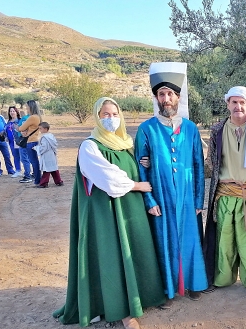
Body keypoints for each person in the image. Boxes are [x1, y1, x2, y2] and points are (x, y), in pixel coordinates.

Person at [53, 97, 165, 329]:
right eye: (105, 114)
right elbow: (108, 178)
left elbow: (134, 166)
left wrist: (143, 162)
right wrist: (138, 186)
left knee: (134, 251)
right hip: (105, 213)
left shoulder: (126, 143)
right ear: (97, 116)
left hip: (130, 210)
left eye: (114, 114)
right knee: (111, 256)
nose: (111, 118)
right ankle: (120, 310)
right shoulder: (90, 146)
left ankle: (138, 300)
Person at [135, 62, 207, 307]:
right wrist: (149, 200)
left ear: (178, 97)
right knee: (163, 239)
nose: (166, 99)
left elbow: (198, 164)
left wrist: (199, 199)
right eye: (161, 94)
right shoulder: (146, 129)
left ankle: (193, 283)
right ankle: (166, 288)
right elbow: (140, 166)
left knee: (190, 238)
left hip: (187, 195)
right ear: (156, 98)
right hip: (161, 193)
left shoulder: (190, 128)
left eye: (170, 94)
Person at [203, 86, 246, 298]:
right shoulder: (217, 130)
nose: (238, 106)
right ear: (228, 104)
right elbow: (211, 162)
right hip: (224, 195)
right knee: (224, 241)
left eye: (242, 103)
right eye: (234, 102)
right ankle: (222, 279)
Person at [14, 100, 41, 185]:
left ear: (30, 107)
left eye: (27, 106)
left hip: (30, 141)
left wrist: (16, 126)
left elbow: (21, 128)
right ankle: (38, 179)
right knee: (35, 161)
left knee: (33, 161)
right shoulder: (38, 117)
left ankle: (37, 180)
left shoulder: (32, 117)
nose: (26, 108)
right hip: (35, 140)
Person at [34, 122, 63, 188]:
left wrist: (37, 148)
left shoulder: (45, 137)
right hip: (51, 154)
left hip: (47, 155)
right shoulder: (51, 136)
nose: (39, 130)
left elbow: (44, 147)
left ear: (45, 129)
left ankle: (44, 183)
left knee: (46, 169)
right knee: (53, 168)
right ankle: (59, 181)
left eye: (40, 128)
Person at [4, 106, 22, 178]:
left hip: (19, 141)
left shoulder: (20, 121)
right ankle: (18, 170)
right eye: (10, 111)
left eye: (13, 111)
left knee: (24, 156)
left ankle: (29, 170)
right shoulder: (8, 122)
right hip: (11, 142)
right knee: (15, 156)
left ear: (16, 112)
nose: (12, 112)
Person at [16, 109, 33, 183]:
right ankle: (35, 173)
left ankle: (27, 175)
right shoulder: (36, 117)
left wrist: (17, 128)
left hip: (24, 140)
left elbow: (21, 128)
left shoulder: (25, 118)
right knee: (32, 158)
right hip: (32, 140)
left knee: (24, 158)